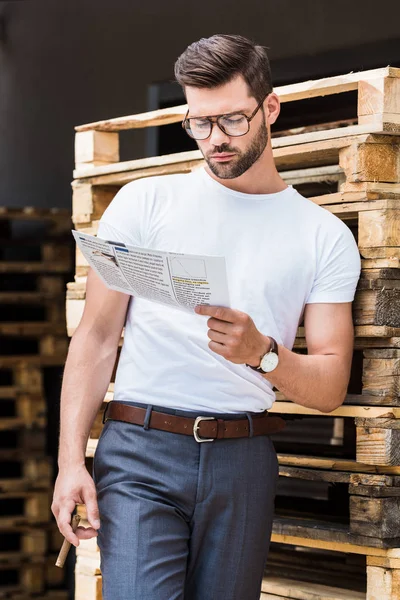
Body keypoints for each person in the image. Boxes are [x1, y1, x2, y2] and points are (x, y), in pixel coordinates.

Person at [52, 34, 361, 599]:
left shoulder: (324, 237)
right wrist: (70, 461)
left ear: (270, 108)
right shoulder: (144, 203)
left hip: (242, 460)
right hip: (139, 452)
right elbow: (96, 337)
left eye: (233, 121)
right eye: (200, 123)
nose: (216, 140)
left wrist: (262, 353)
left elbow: (330, 385)